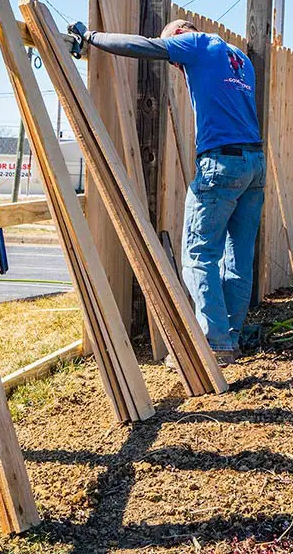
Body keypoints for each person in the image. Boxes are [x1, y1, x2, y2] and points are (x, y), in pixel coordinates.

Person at [69, 19, 265, 366]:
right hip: (254, 163)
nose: (176, 65)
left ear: (179, 35)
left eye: (174, 58)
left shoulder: (196, 43)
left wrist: (92, 37)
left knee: (199, 254)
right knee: (238, 258)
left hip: (221, 163)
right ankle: (230, 339)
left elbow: (142, 47)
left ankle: (214, 343)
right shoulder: (239, 58)